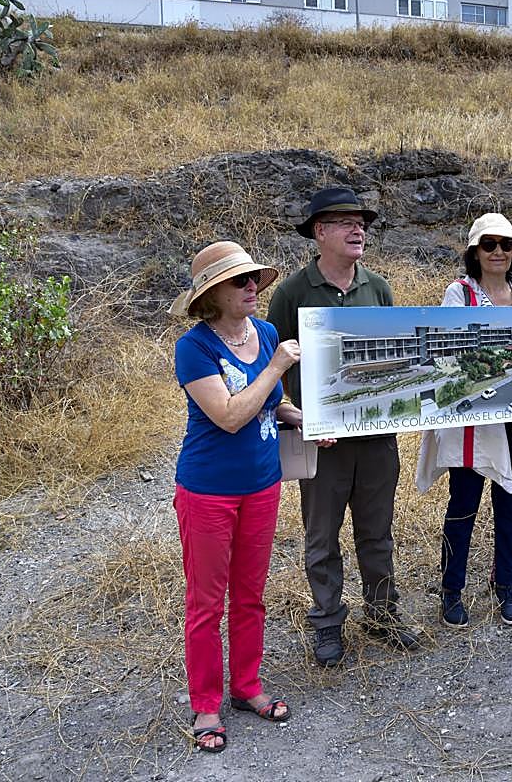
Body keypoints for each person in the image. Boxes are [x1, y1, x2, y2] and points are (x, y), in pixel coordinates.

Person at [266, 186, 419, 668]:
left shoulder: (378, 287)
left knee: (377, 532)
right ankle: (328, 624)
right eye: (345, 222)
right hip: (324, 441)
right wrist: (307, 414)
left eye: (362, 223)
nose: (359, 230)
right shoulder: (291, 292)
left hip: (376, 437)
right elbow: (278, 362)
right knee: (321, 535)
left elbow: (394, 355)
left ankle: (382, 616)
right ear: (319, 233)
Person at [169, 241, 301, 753]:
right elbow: (227, 415)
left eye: (253, 279)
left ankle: (246, 687)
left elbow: (273, 403)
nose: (252, 287)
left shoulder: (265, 333)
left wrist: (304, 419)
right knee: (207, 602)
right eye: (239, 281)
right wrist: (276, 366)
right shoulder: (195, 347)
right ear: (213, 295)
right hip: (208, 491)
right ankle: (205, 702)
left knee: (250, 595)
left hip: (262, 484)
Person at [415, 213, 512, 628]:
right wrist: (505, 321)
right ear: (475, 251)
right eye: (490, 244)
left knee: (511, 498)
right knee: (464, 501)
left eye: (506, 245)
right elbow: (451, 349)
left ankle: (505, 583)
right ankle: (452, 588)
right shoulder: (459, 292)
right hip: (472, 415)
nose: (499, 252)